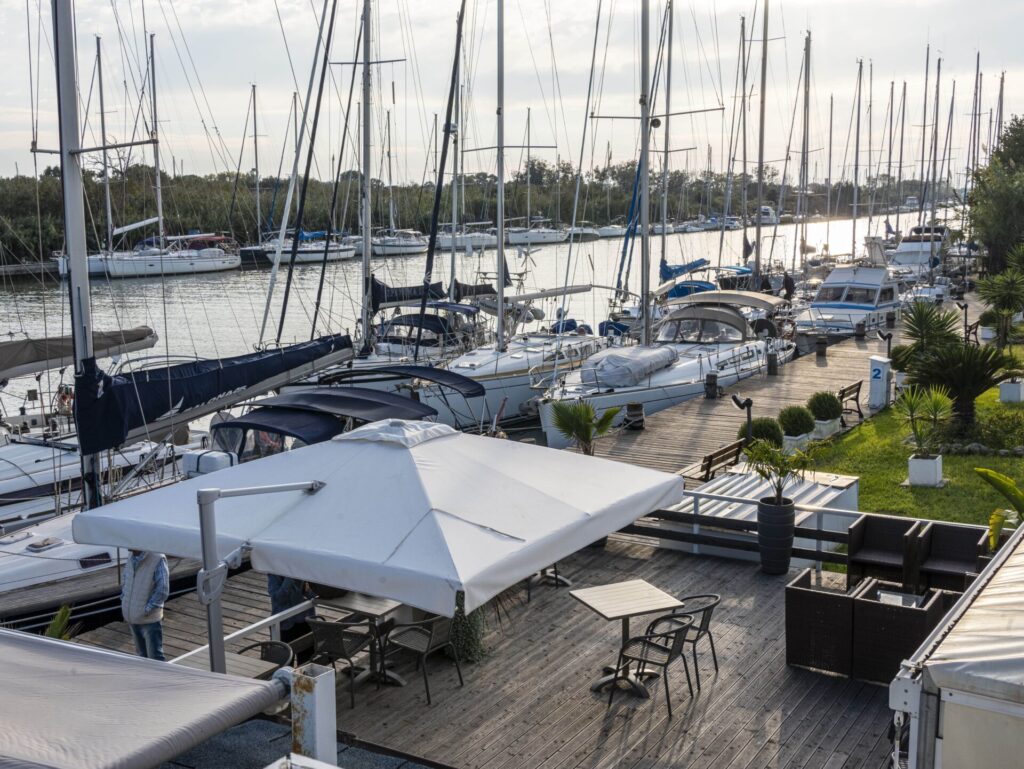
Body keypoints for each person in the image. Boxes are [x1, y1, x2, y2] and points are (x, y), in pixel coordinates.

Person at [121, 550, 169, 661]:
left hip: (149, 620)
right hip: (133, 617)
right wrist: (124, 601)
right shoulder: (131, 556)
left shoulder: (157, 558)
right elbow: (125, 579)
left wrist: (146, 610)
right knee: (142, 657)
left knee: (155, 658)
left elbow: (163, 589)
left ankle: (159, 678)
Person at [267, 575, 315, 643]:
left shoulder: (299, 571)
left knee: (308, 650)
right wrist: (289, 578)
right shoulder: (274, 575)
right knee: (283, 651)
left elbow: (311, 595)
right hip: (284, 623)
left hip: (303, 618)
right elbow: (278, 599)